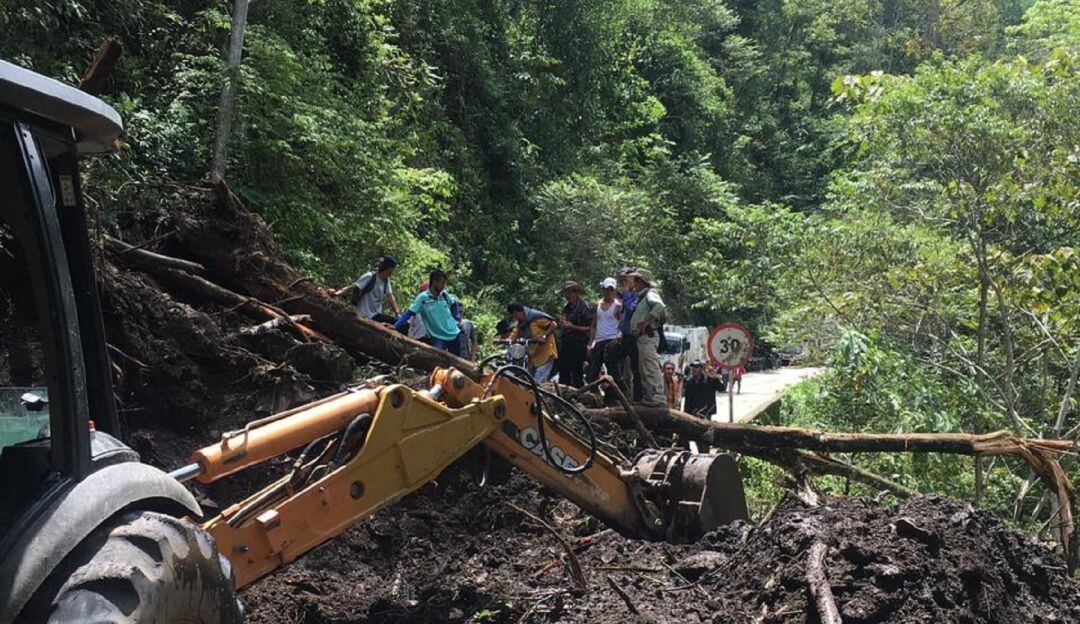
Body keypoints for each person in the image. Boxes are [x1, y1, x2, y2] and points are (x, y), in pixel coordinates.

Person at [393, 269, 463, 356]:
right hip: (438, 336)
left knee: (456, 359)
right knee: (436, 357)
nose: (444, 286)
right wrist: (395, 326)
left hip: (453, 333)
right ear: (434, 282)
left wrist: (457, 319)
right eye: (442, 283)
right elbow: (409, 313)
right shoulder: (423, 298)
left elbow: (454, 303)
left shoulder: (444, 295)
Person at [627, 269, 666, 406]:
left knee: (650, 367)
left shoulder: (650, 293)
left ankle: (657, 397)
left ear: (642, 281)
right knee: (644, 368)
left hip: (647, 336)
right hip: (642, 338)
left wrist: (646, 322)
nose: (634, 283)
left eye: (636, 280)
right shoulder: (642, 296)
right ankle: (649, 396)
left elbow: (659, 306)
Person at [603, 268, 644, 401]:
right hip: (624, 336)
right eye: (621, 281)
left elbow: (632, 309)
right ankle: (620, 386)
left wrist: (626, 294)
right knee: (609, 354)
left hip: (635, 337)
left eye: (625, 280)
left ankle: (638, 398)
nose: (623, 283)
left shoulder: (638, 295)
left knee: (636, 369)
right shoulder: (622, 295)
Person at [332, 255, 400, 323]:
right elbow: (352, 287)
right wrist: (338, 293)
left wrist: (397, 313)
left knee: (397, 322)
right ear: (389, 269)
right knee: (395, 322)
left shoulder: (386, 281)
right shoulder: (370, 276)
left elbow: (390, 297)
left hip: (376, 314)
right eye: (393, 269)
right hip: (365, 313)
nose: (393, 271)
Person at [507, 302, 558, 383]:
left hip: (545, 354)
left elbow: (553, 324)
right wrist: (506, 340)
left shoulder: (535, 317)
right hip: (533, 356)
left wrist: (544, 335)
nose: (515, 318)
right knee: (528, 381)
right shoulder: (521, 324)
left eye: (514, 315)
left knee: (538, 381)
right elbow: (514, 335)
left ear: (518, 312)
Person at [586, 277, 622, 384]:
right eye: (607, 289)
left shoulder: (618, 305)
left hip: (612, 339)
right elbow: (593, 325)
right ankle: (592, 390)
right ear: (603, 289)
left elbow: (621, 323)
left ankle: (616, 390)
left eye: (611, 290)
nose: (609, 292)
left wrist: (619, 335)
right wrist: (591, 342)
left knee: (612, 368)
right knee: (593, 369)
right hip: (600, 339)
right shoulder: (597, 305)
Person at [557, 281, 592, 388]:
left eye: (569, 292)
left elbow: (590, 328)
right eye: (565, 293)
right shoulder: (567, 307)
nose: (567, 295)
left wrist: (573, 327)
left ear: (576, 293)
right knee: (563, 372)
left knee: (577, 372)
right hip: (566, 342)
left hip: (578, 343)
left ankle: (577, 393)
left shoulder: (583, 308)